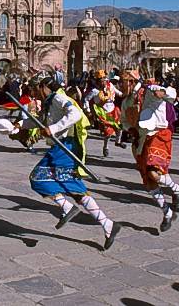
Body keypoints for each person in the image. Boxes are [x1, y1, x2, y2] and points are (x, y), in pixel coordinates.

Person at [23, 75, 121, 250]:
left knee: (37, 177)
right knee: (73, 188)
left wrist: (52, 129)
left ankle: (67, 207)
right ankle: (108, 225)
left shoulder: (59, 97)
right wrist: (19, 125)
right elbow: (39, 121)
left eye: (36, 89)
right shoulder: (49, 102)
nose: (35, 93)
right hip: (64, 147)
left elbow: (75, 114)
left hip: (65, 147)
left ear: (45, 87)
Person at [130, 76, 179, 232]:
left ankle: (176, 188)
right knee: (149, 181)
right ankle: (167, 212)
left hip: (159, 135)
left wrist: (161, 91)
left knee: (153, 173)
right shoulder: (132, 96)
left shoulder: (154, 89)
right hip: (143, 138)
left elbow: (171, 93)